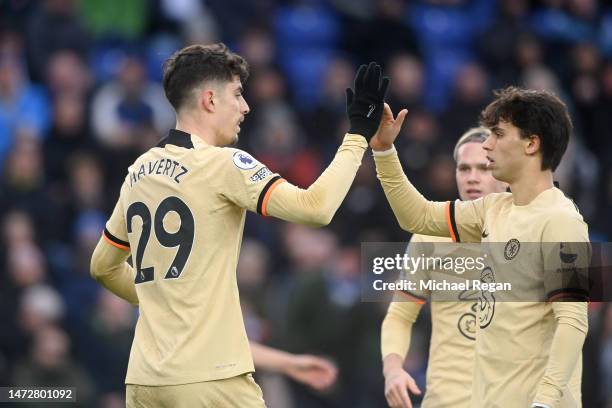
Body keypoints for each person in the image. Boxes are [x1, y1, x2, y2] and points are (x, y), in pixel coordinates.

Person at [89, 42, 388, 407]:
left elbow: (102, 265)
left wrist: (164, 299)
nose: (245, 107)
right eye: (237, 94)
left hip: (144, 381)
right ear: (210, 100)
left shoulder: (139, 172)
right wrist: (358, 134)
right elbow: (316, 208)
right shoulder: (224, 164)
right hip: (209, 378)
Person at [371, 87, 590, 408]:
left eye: (499, 134)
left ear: (532, 143)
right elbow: (416, 216)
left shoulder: (563, 222)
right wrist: (384, 152)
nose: (487, 145)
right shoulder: (493, 210)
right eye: (464, 167)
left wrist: (544, 400)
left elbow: (573, 321)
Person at [381, 127, 507, 408]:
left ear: (507, 174)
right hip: (447, 400)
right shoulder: (429, 236)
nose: (472, 177)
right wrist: (392, 370)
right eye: (464, 169)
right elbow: (399, 315)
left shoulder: (537, 229)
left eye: (484, 168)